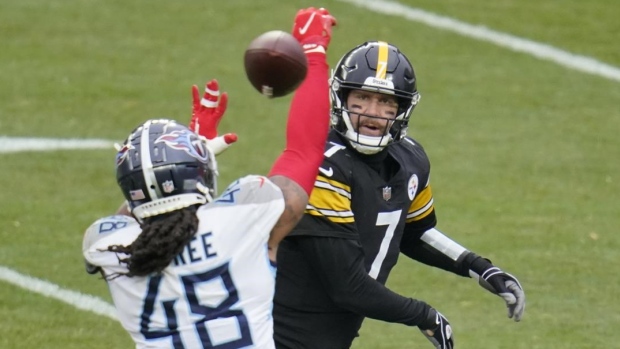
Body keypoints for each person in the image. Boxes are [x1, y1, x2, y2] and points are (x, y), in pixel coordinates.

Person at [272, 15, 526, 349]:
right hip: (278, 332)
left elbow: (412, 230)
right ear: (341, 99)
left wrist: (478, 268)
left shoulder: (410, 158)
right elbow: (347, 286)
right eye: (361, 98)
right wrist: (423, 315)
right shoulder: (325, 166)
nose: (372, 112)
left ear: (401, 109)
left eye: (386, 102)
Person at [81, 16, 332, 347]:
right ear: (200, 171)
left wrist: (181, 165)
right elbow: (302, 152)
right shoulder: (246, 213)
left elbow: (134, 213)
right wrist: (313, 53)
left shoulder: (107, 246)